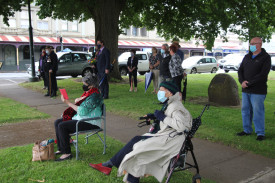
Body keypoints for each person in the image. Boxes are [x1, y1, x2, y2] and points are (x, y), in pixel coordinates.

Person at [89, 81, 192, 183]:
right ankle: (110, 166)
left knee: (138, 148)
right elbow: (170, 119)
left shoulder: (175, 106)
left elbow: (181, 125)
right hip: (167, 136)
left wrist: (162, 117)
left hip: (171, 141)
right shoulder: (171, 103)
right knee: (137, 142)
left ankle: (111, 166)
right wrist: (154, 116)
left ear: (169, 93)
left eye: (161, 90)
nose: (158, 93)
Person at [54, 73, 103, 161]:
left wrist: (68, 103)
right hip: (82, 119)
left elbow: (83, 111)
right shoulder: (88, 93)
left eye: (85, 84)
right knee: (57, 122)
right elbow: (82, 108)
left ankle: (67, 153)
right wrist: (78, 100)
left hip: (91, 122)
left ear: (91, 86)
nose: (83, 86)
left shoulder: (95, 96)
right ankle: (61, 148)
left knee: (62, 126)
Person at [237, 37, 271, 141]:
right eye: (250, 43)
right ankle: (247, 130)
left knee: (258, 111)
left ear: (259, 44)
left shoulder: (265, 57)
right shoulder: (247, 56)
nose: (250, 45)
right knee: (245, 110)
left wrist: (250, 83)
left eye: (253, 43)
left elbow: (263, 74)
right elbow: (240, 70)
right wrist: (242, 81)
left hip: (258, 91)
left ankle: (260, 133)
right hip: (246, 90)